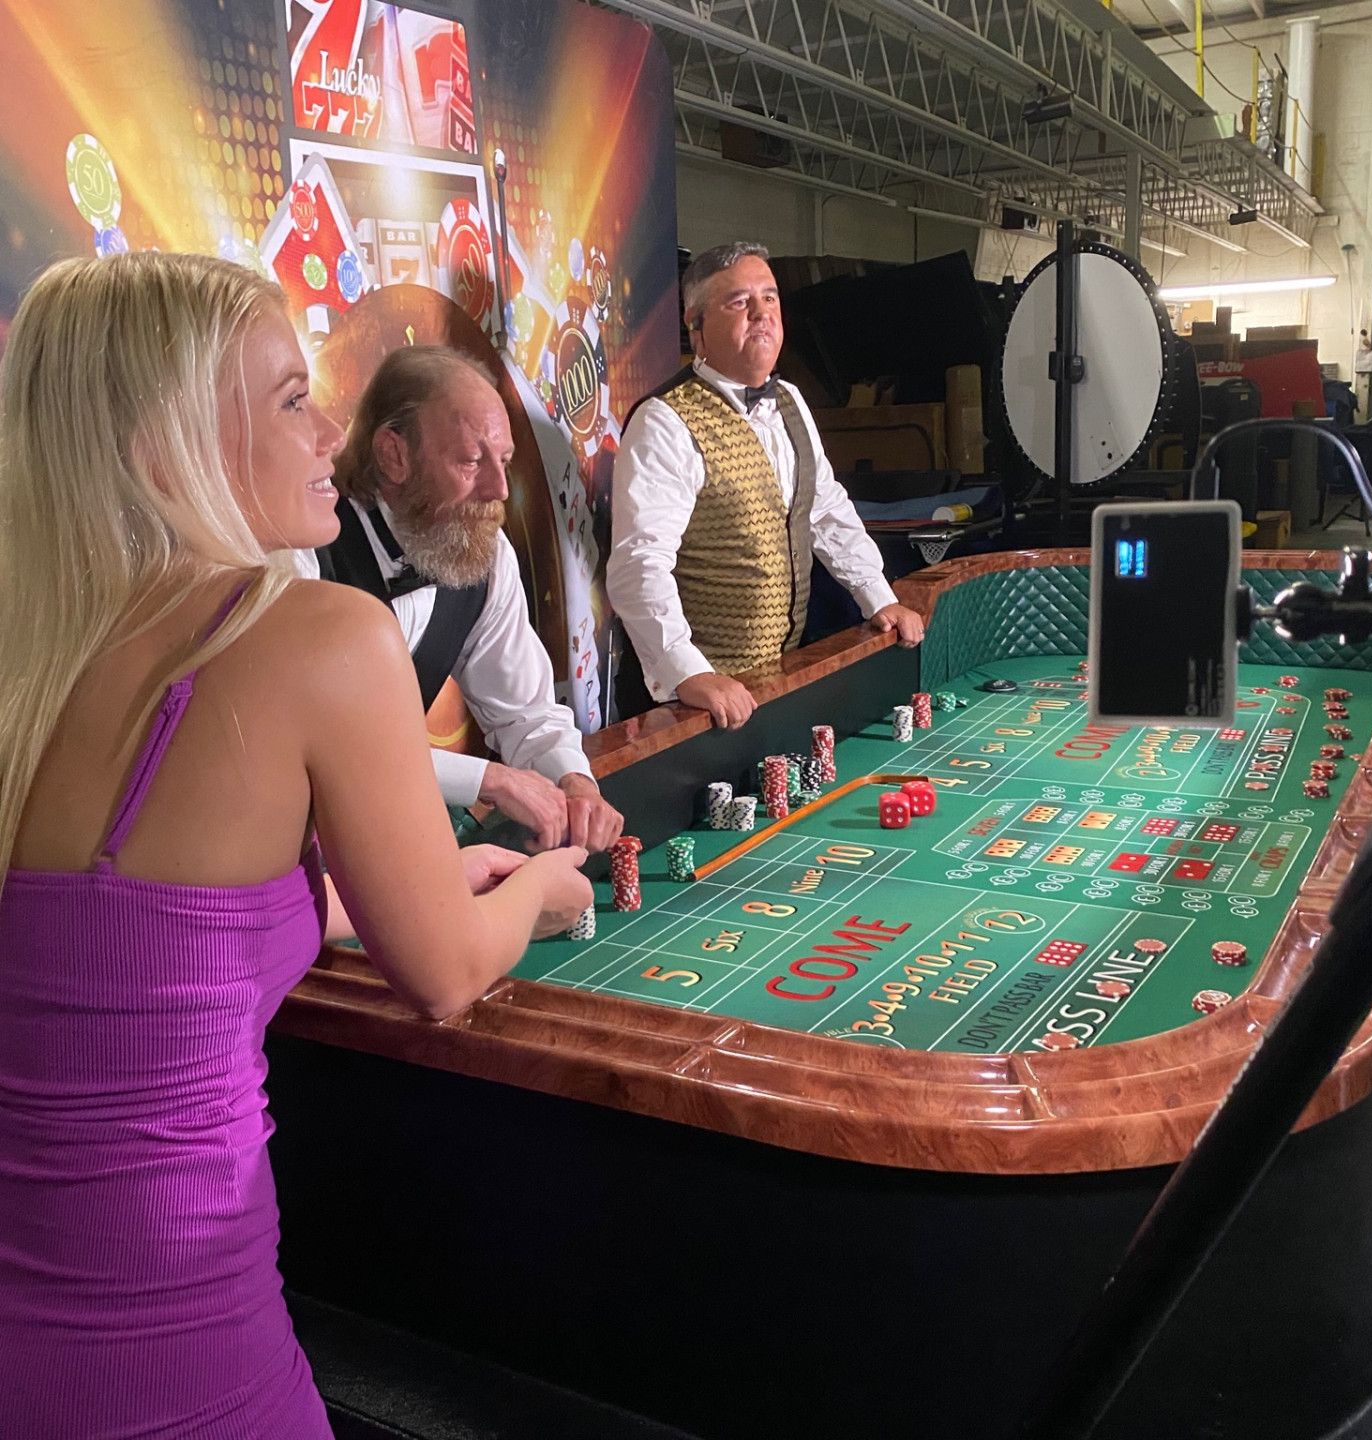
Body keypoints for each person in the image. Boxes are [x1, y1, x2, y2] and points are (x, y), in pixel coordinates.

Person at [0, 253, 592, 1438]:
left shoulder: (30, 653)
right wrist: (533, 887)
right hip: (178, 1363)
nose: (328, 431)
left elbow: (135, 934)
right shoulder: (320, 635)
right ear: (166, 444)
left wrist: (353, 898)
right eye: (286, 400)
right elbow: (445, 976)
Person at [297, 346, 623, 853]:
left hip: (388, 840)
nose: (498, 488)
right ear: (393, 454)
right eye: (472, 461)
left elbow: (526, 715)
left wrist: (573, 782)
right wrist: (491, 780)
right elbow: (319, 746)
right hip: (291, 853)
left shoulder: (486, 556)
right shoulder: (303, 551)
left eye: (505, 460)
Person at [607, 240, 926, 729]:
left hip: (776, 676)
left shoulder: (791, 399)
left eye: (770, 297)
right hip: (691, 705)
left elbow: (823, 508)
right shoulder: (664, 422)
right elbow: (638, 566)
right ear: (698, 331)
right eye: (739, 302)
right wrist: (688, 673)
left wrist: (877, 595)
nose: (761, 313)